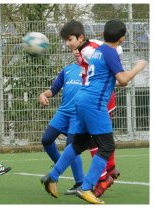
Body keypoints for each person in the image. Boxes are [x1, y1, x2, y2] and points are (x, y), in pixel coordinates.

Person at [41, 19, 148, 204]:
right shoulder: (108, 51)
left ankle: (52, 176)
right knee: (107, 146)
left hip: (81, 99)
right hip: (95, 103)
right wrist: (139, 66)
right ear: (122, 39)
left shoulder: (96, 51)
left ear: (103, 34)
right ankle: (86, 187)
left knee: (79, 143)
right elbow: (122, 80)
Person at [59, 19, 122, 197]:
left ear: (81, 37)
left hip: (98, 98)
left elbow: (106, 60)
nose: (67, 44)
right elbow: (113, 50)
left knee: (95, 140)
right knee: (101, 138)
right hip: (98, 97)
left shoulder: (88, 52)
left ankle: (101, 179)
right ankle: (109, 170)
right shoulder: (93, 45)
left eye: (69, 40)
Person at [39, 62, 84, 195]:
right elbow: (53, 89)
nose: (77, 52)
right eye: (75, 49)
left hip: (78, 114)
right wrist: (43, 95)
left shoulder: (91, 68)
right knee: (46, 140)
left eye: (79, 49)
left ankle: (80, 183)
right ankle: (61, 164)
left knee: (71, 147)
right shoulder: (67, 69)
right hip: (63, 112)